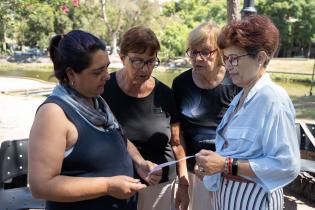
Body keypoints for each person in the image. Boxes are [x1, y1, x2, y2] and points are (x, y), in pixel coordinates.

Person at [28, 30, 161, 210]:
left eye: (106, 67)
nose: (107, 75)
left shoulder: (96, 101)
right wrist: (107, 186)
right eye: (98, 71)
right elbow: (41, 185)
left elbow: (118, 136)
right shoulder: (53, 114)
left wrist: (139, 163)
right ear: (72, 74)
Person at [195, 15, 300, 210]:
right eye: (225, 59)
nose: (227, 66)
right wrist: (212, 163)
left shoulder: (273, 98)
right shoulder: (240, 97)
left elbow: (287, 165)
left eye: (233, 59)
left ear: (260, 58)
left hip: (256, 203)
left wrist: (226, 165)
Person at [102, 26, 189, 210]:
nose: (145, 69)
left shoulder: (164, 94)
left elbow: (176, 142)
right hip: (116, 186)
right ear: (122, 56)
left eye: (150, 61)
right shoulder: (103, 89)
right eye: (137, 61)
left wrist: (183, 183)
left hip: (160, 189)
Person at [172, 21, 240, 210]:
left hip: (229, 172)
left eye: (205, 52)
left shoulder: (235, 83)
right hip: (194, 174)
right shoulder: (181, 84)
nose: (198, 58)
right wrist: (183, 182)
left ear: (219, 53)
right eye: (193, 51)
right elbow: (178, 138)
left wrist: (220, 164)